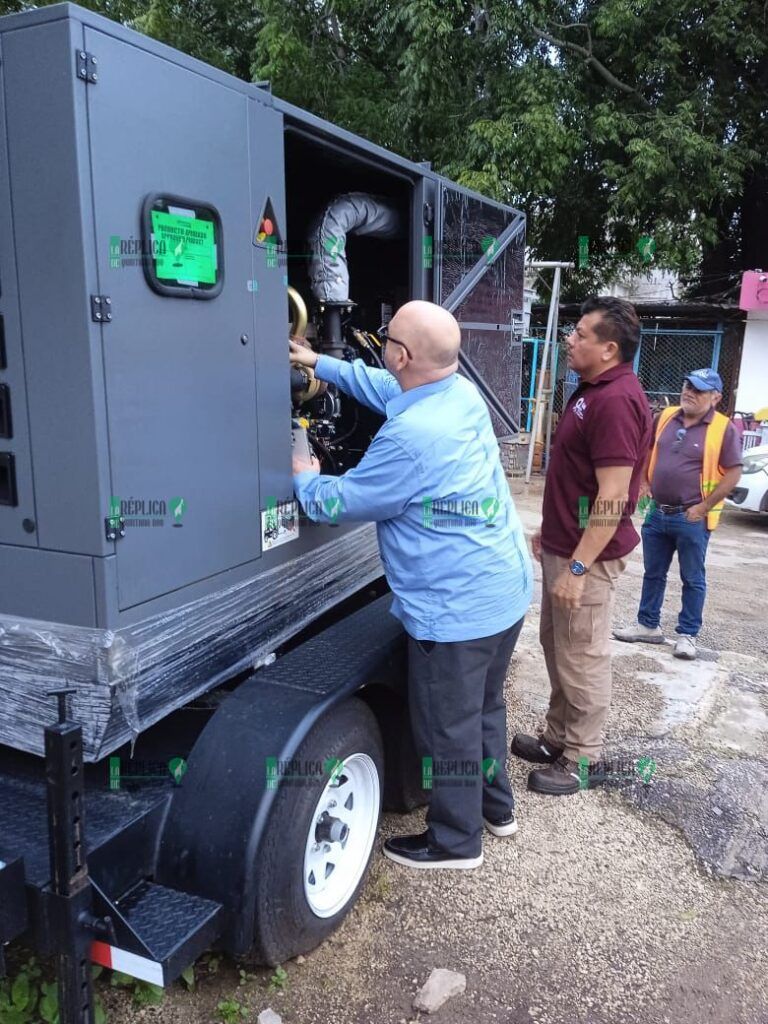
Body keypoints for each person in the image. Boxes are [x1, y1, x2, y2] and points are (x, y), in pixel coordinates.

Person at [289, 300, 532, 869]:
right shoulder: (459, 393)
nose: (382, 347)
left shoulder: (410, 440)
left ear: (402, 353)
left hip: (457, 611)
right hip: (504, 590)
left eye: (387, 340)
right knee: (483, 708)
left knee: (448, 728)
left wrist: (305, 479)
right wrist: (320, 363)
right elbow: (386, 387)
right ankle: (498, 810)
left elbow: (343, 501)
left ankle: (454, 842)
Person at [511, 296, 652, 796]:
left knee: (583, 654)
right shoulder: (594, 389)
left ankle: (582, 758)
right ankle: (558, 738)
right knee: (559, 646)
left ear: (609, 349)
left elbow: (614, 498)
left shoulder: (615, 401)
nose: (570, 339)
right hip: (567, 545)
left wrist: (575, 568)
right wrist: (552, 534)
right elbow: (579, 480)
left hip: (586, 560)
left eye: (581, 333)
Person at [613, 369, 743, 659]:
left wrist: (704, 507)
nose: (689, 393)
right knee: (653, 573)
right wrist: (645, 481)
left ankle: (687, 634)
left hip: (691, 517)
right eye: (687, 386)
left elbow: (733, 474)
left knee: (693, 577)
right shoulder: (668, 416)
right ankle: (648, 626)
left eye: (698, 390)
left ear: (715, 397)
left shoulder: (723, 429)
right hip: (658, 513)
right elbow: (648, 447)